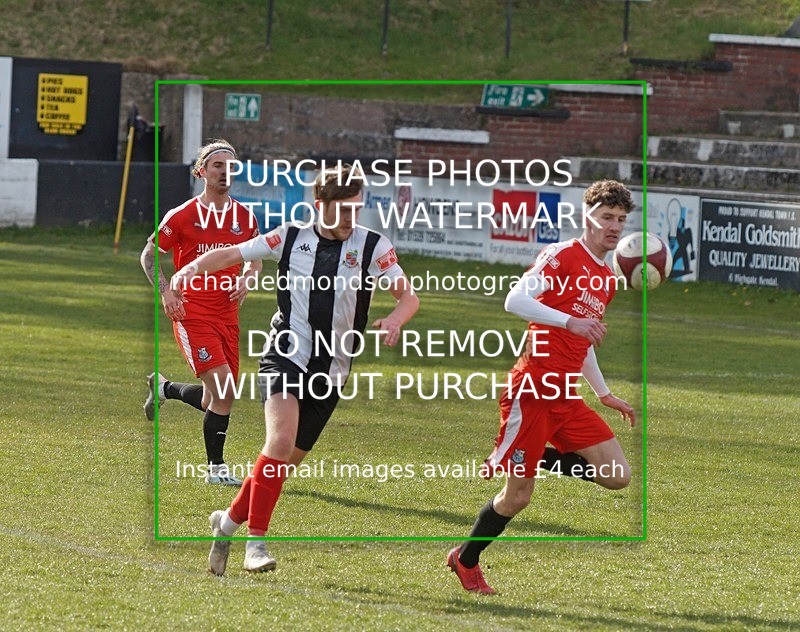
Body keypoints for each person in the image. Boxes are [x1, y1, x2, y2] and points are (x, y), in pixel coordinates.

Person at [169, 163, 419, 575]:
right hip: (284, 356)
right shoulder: (289, 237)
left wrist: (395, 319)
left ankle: (226, 524)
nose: (350, 219)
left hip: (332, 370)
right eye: (342, 210)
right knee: (279, 442)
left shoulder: (373, 245)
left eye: (357, 209)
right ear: (319, 205)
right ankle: (257, 544)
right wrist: (190, 269)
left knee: (278, 465)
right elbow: (233, 253)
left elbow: (408, 297)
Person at [447, 180, 637, 595]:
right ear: (587, 216)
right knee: (517, 498)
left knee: (617, 476)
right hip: (531, 392)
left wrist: (603, 393)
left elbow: (584, 342)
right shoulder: (562, 255)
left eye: (621, 220)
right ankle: (466, 560)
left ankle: (536, 457)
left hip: (565, 395)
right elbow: (514, 300)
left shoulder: (606, 276)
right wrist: (570, 321)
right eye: (607, 217)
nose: (614, 227)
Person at [141, 139, 261, 486]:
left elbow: (254, 258)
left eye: (231, 166)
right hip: (191, 312)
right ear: (202, 172)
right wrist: (166, 293)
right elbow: (149, 254)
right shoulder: (182, 216)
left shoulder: (244, 216)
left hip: (228, 315)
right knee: (224, 391)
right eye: (218, 166)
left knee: (216, 397)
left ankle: (165, 389)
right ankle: (216, 469)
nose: (225, 172)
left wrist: (248, 279)